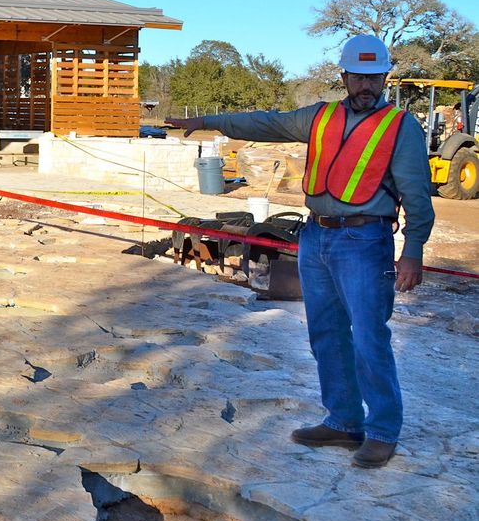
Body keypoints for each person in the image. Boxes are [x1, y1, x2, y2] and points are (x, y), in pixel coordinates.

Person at [165, 34, 434, 469]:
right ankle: (344, 422)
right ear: (344, 76)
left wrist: (414, 249)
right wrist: (211, 121)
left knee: (369, 338)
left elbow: (418, 195)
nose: (366, 86)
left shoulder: (400, 127)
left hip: (366, 243)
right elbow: (267, 123)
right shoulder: (319, 118)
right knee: (325, 333)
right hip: (316, 237)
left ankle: (382, 430)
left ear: (385, 77)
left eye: (374, 78)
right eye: (358, 77)